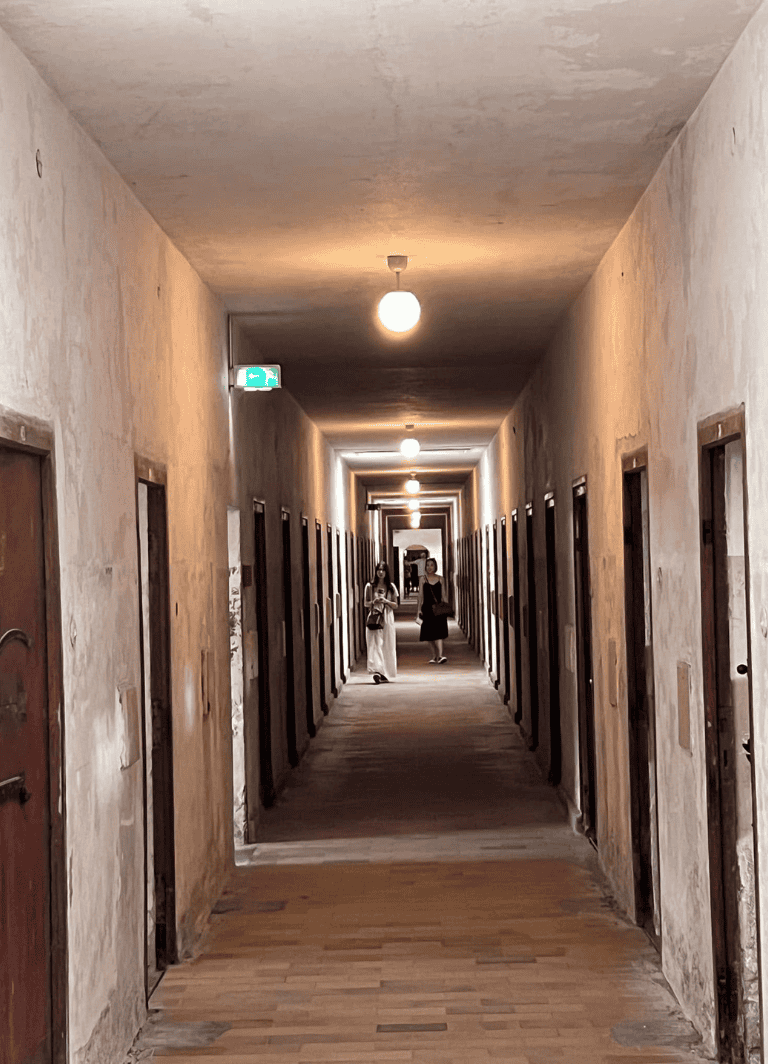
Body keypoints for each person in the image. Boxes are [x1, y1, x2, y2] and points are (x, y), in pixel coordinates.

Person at [364, 561, 399, 683]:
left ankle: (385, 672)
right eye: (378, 569)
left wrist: (385, 601)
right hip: (374, 616)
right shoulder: (370, 586)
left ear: (386, 572)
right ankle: (377, 671)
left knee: (387, 643)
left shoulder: (391, 587)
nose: (380, 572)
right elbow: (365, 603)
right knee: (374, 644)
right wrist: (374, 602)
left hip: (388, 617)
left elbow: (395, 605)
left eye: (383, 570)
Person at [417, 557, 448, 663]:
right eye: (427, 565)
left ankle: (440, 656)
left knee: (439, 633)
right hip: (427, 609)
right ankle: (434, 656)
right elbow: (420, 596)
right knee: (429, 634)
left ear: (435, 567)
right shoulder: (423, 579)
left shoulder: (441, 579)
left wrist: (446, 608)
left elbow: (444, 595)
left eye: (432, 565)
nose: (429, 567)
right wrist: (418, 610)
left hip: (438, 609)